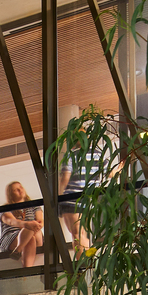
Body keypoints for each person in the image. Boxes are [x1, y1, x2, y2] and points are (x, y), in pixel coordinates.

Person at [55, 104, 96, 252]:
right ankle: (84, 266)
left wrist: (58, 198)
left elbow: (64, 178)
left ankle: (81, 268)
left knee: (77, 234)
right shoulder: (97, 153)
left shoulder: (72, 154)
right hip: (88, 199)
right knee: (81, 233)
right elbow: (108, 174)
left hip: (71, 199)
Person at [0, 180, 43, 267]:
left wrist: (32, 226)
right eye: (15, 190)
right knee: (30, 235)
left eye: (20, 187)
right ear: (11, 194)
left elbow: (40, 221)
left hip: (33, 233)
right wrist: (26, 225)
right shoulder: (6, 208)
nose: (20, 190)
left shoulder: (34, 206)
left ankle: (18, 251)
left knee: (33, 231)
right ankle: (27, 268)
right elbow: (12, 221)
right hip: (11, 237)